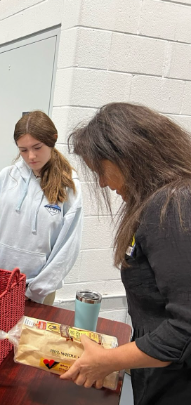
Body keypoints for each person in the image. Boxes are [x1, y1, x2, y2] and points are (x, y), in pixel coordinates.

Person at [61, 103, 191, 404]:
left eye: (101, 171)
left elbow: (186, 328)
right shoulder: (163, 202)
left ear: (127, 155)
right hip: (158, 372)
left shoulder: (172, 205)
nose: (104, 184)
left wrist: (109, 361)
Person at [0, 111, 82, 305]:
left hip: (39, 292)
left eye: (37, 147)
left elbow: (68, 246)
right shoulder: (6, 178)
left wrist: (37, 289)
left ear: (52, 140)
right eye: (23, 150)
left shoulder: (68, 185)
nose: (31, 156)